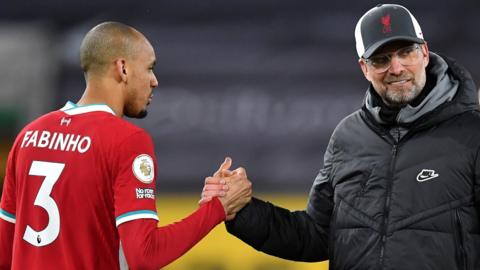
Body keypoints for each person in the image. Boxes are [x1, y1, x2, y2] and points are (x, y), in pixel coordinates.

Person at [201, 4, 480, 270]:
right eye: (381, 59)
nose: (396, 68)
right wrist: (243, 210)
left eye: (406, 52)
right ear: (364, 68)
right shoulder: (348, 138)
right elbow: (315, 235)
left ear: (425, 53)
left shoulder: (472, 133)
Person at [0, 21, 252, 270]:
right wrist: (218, 208)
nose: (154, 81)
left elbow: (4, 252)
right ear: (122, 68)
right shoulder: (126, 141)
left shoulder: (28, 136)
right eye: (150, 68)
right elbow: (144, 255)